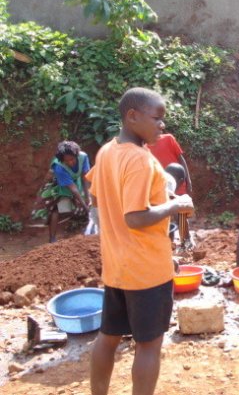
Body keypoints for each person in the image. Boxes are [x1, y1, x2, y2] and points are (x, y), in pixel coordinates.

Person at [86, 87, 194, 395]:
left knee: (108, 337)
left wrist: (164, 198)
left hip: (117, 267)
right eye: (157, 118)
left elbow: (98, 196)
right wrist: (176, 206)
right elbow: (135, 216)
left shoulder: (107, 151)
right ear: (132, 116)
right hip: (147, 270)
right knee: (148, 345)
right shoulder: (140, 160)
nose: (162, 125)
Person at [32, 140, 91, 243]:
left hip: (75, 180)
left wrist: (87, 197)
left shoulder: (83, 157)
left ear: (76, 155)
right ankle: (52, 238)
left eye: (72, 159)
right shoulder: (58, 167)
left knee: (86, 202)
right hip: (61, 183)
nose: (70, 163)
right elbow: (73, 189)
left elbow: (85, 177)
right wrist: (86, 208)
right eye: (66, 161)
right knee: (56, 209)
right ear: (62, 160)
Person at [164, 163, 194, 250]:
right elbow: (179, 213)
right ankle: (186, 242)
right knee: (184, 202)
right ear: (181, 181)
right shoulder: (169, 181)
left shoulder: (158, 175)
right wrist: (187, 240)